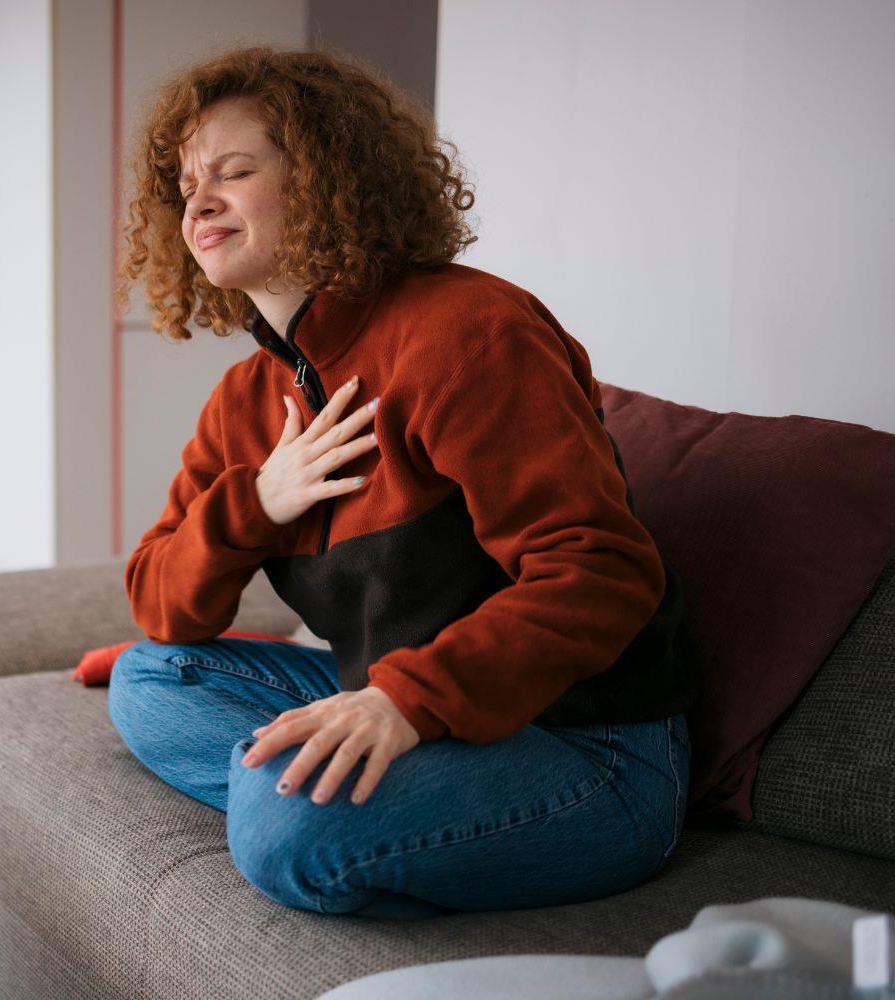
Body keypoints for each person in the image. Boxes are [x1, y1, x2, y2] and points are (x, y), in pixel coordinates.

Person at [107, 43, 699, 920]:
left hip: (584, 744)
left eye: (234, 171)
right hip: (397, 703)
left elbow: (601, 572)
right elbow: (160, 605)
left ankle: (302, 811)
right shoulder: (245, 401)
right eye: (188, 184)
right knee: (148, 679)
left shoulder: (466, 331)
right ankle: (320, 798)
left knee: (284, 830)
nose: (199, 200)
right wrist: (261, 503)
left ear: (323, 178)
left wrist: (406, 702)